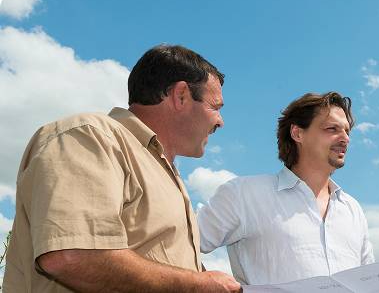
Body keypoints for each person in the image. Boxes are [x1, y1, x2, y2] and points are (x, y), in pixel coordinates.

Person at [2, 45, 240, 292]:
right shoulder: (90, 136)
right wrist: (197, 284)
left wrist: (202, 277)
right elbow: (70, 255)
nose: (220, 121)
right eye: (216, 106)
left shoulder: (166, 173)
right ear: (180, 95)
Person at [197, 92, 374, 285]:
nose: (345, 138)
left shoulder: (353, 210)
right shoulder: (243, 194)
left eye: (347, 131)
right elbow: (177, 246)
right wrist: (203, 285)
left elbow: (369, 282)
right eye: (332, 128)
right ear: (297, 133)